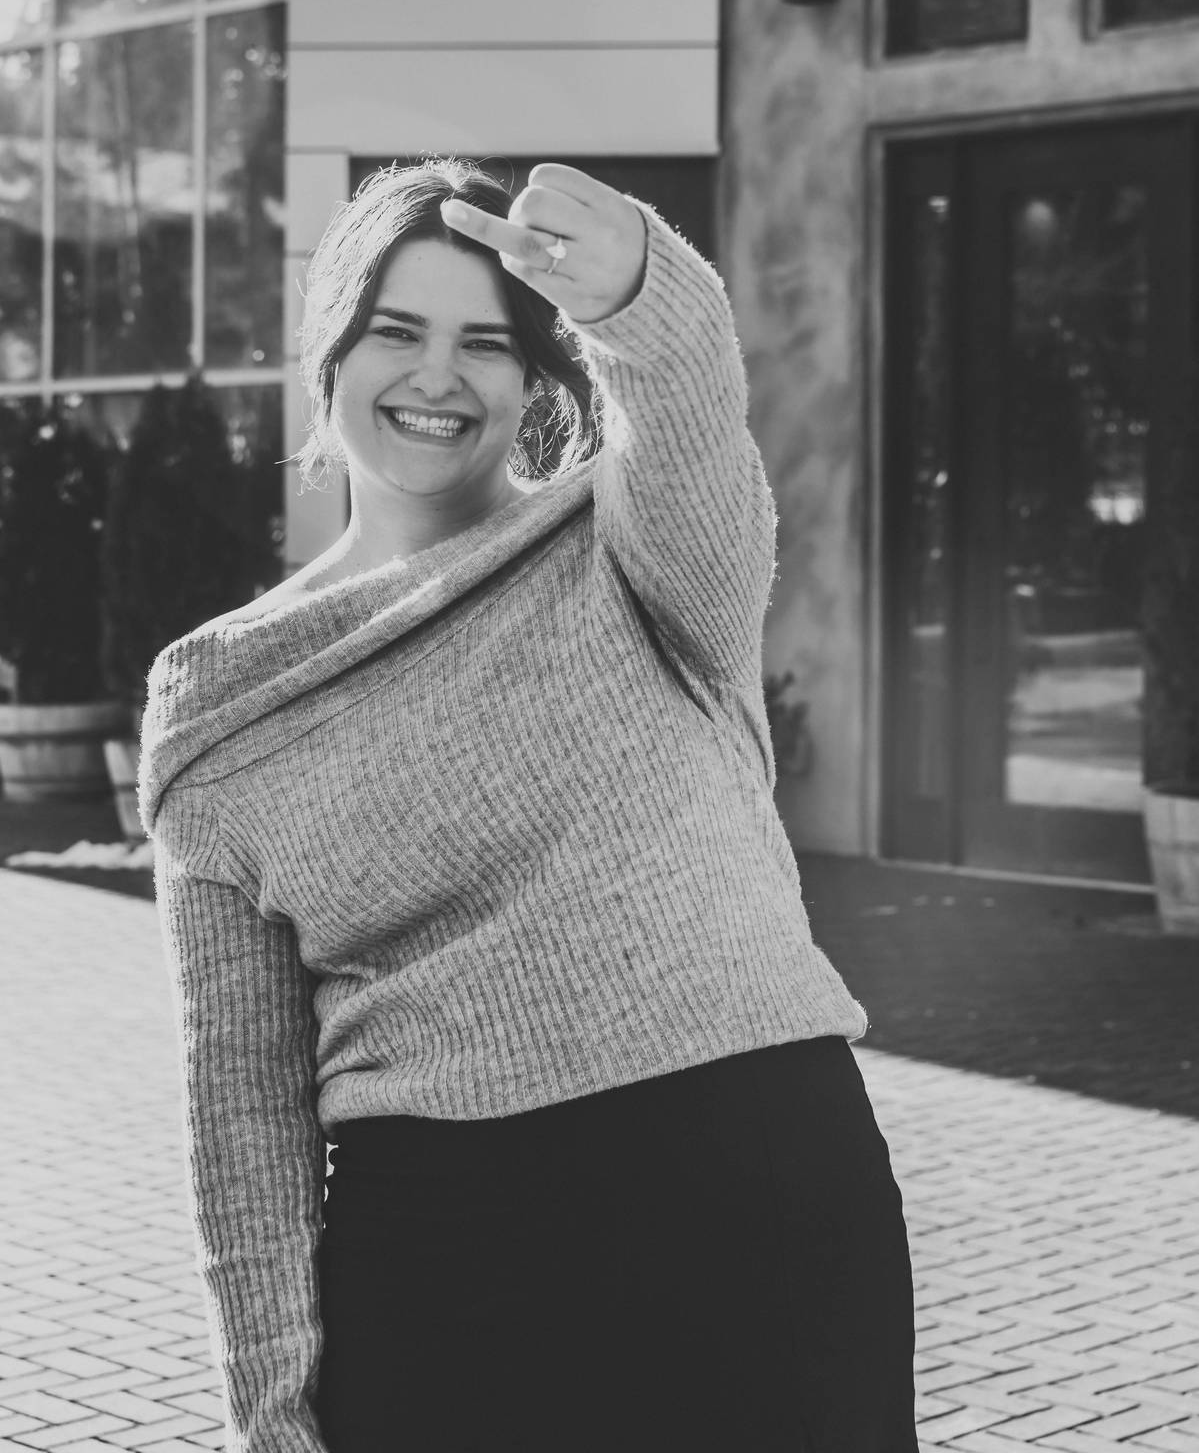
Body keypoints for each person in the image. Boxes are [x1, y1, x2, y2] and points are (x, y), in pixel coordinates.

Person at [140, 158, 918, 1453]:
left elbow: (688, 411)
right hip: (452, 1255)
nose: (437, 376)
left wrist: (636, 291)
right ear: (328, 347)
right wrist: (272, 1416)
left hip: (760, 1197)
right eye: (397, 330)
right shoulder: (219, 694)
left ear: (535, 379)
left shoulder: (634, 544)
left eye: (485, 343)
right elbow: (245, 1109)